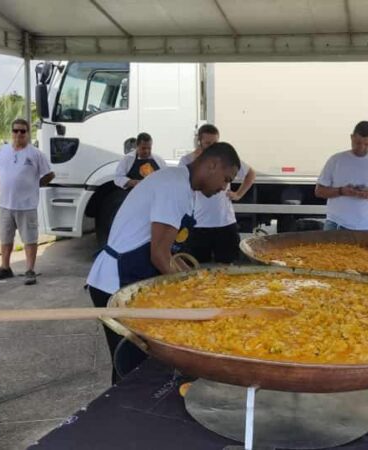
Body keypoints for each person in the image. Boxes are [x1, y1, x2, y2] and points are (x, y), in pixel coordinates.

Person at [87, 142, 241, 383]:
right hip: (115, 282)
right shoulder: (175, 187)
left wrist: (194, 282)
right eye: (225, 179)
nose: (224, 188)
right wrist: (191, 296)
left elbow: (169, 251)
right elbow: (159, 255)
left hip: (131, 278)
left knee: (139, 364)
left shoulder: (182, 184)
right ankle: (124, 416)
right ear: (212, 165)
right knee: (131, 366)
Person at [0, 119, 54, 285]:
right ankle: (5, 267)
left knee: (29, 239)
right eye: (15, 131)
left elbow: (49, 174)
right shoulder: (2, 151)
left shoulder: (36, 154)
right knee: (5, 238)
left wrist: (35, 185)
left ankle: (30, 270)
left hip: (27, 206)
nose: (18, 134)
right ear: (11, 132)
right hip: (5, 205)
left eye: (22, 131)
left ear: (28, 133)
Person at [179, 124, 255, 263]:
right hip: (198, 224)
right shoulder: (188, 161)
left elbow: (250, 173)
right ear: (199, 141)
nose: (211, 147)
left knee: (229, 265)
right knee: (196, 267)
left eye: (215, 143)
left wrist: (238, 194)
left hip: (224, 222)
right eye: (208, 143)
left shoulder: (226, 159)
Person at [314, 121, 368, 231]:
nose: (362, 147)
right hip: (336, 225)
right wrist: (341, 191)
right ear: (351, 138)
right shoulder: (336, 160)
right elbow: (319, 191)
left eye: (367, 145)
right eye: (358, 143)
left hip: (366, 228)